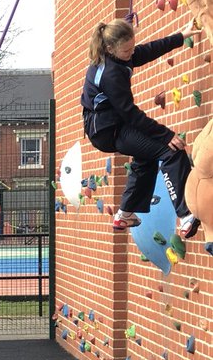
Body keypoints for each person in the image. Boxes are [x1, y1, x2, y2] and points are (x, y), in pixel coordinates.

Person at [80, 18, 201, 235]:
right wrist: (166, 135)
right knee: (170, 151)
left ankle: (125, 214)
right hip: (108, 131)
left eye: (132, 47)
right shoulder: (110, 73)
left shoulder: (117, 57)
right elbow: (131, 113)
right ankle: (185, 215)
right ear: (110, 48)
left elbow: (148, 50)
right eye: (127, 50)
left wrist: (181, 36)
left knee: (146, 158)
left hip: (110, 126)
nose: (131, 53)